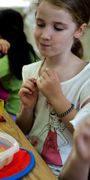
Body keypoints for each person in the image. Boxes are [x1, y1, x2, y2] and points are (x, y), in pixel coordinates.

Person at [16, 0, 90, 175]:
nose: (45, 35)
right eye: (40, 24)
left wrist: (57, 98)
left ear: (79, 30)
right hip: (30, 162)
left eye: (58, 28)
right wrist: (27, 108)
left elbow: (86, 137)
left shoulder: (86, 78)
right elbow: (23, 128)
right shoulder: (30, 70)